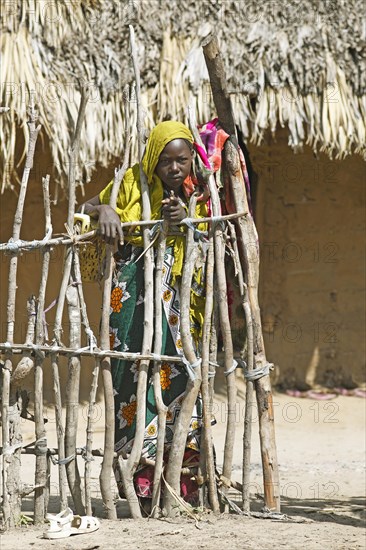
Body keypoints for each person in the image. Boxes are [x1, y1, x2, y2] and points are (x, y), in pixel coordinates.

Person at [80, 121, 210, 510]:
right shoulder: (131, 186)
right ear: (152, 160)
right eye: (165, 162)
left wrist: (185, 219)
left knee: (181, 381)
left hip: (179, 308)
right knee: (132, 383)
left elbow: (210, 238)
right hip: (132, 305)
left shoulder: (202, 193)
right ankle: (139, 480)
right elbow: (86, 207)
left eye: (182, 160)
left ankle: (181, 483)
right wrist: (105, 210)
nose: (174, 169)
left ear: (191, 160)